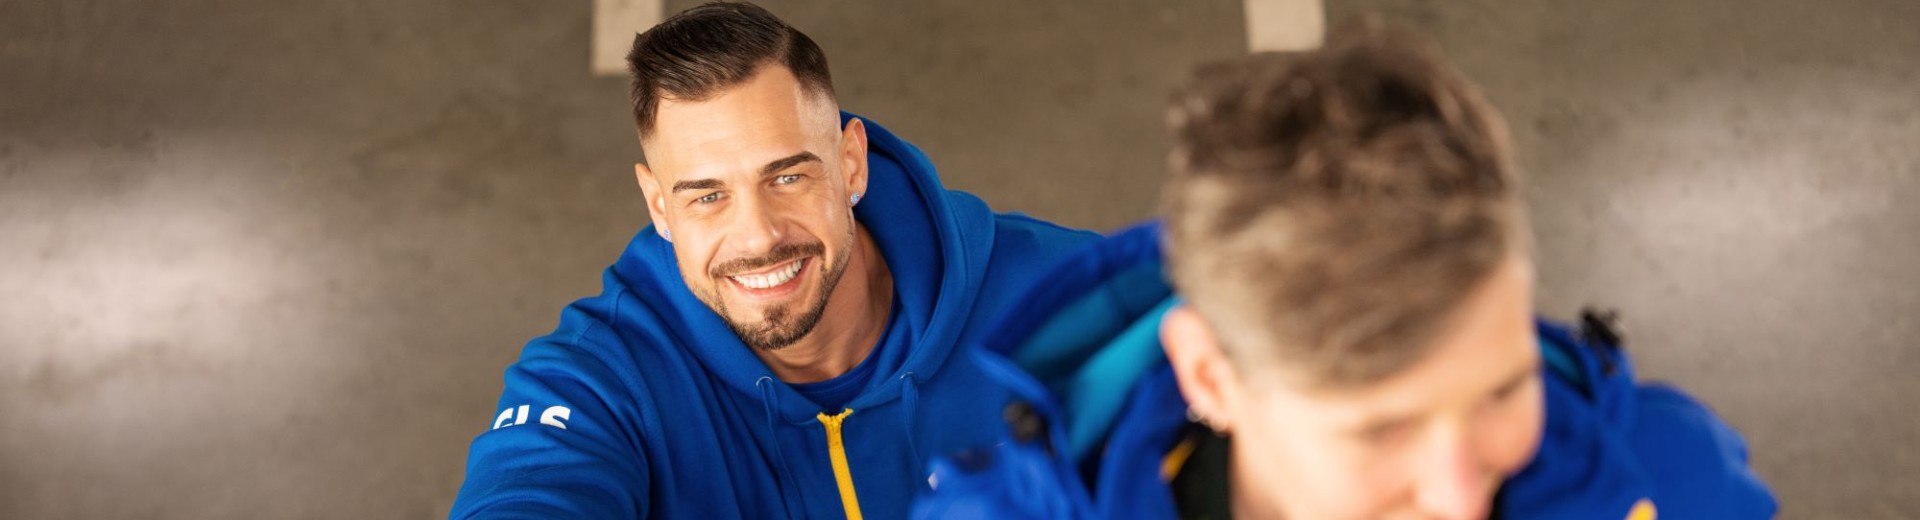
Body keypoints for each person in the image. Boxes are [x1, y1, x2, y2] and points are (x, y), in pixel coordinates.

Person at [912, 21, 1776, 520]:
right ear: (1211, 374)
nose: (1460, 497)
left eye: (1503, 390)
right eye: (1379, 431)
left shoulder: (1672, 480)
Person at [449, 3, 1098, 518]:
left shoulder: (1070, 294)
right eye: (707, 196)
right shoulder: (601, 377)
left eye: (787, 178)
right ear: (659, 206)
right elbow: (529, 491)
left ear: (850, 163)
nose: (758, 236)